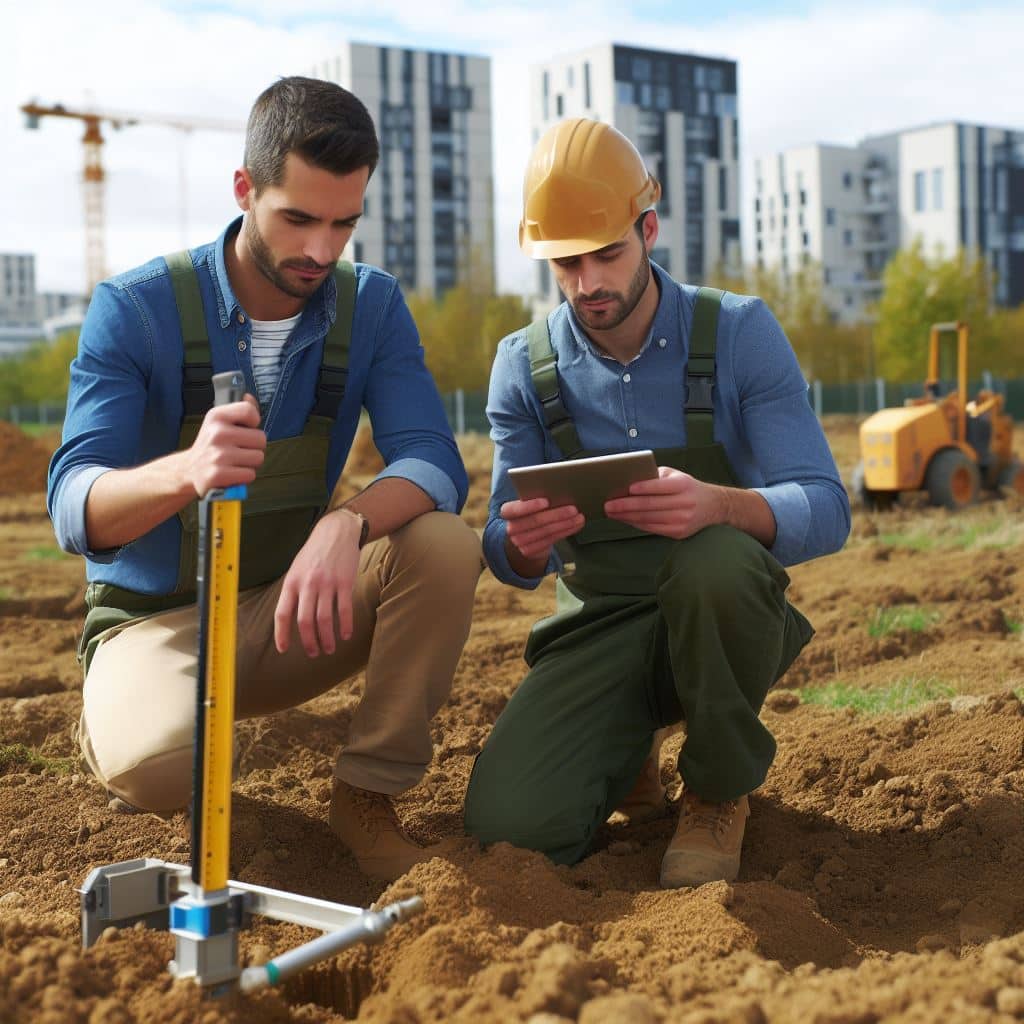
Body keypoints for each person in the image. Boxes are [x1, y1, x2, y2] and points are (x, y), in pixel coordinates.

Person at [48, 76, 483, 883]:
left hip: (289, 611)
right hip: (155, 625)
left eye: (344, 223)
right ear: (245, 189)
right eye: (298, 219)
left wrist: (344, 524)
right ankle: (119, 718)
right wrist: (187, 470)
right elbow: (75, 507)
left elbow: (435, 460)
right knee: (159, 769)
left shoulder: (372, 306)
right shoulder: (136, 309)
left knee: (444, 545)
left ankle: (365, 796)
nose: (321, 250)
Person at [463, 118, 850, 888]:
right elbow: (504, 556)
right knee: (511, 830)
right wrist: (521, 542)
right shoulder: (523, 368)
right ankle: (624, 745)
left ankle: (717, 787)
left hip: (722, 620)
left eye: (607, 254)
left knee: (714, 562)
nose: (588, 284)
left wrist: (723, 506)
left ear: (649, 228)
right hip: (599, 625)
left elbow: (827, 507)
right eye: (566, 264)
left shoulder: (738, 333)